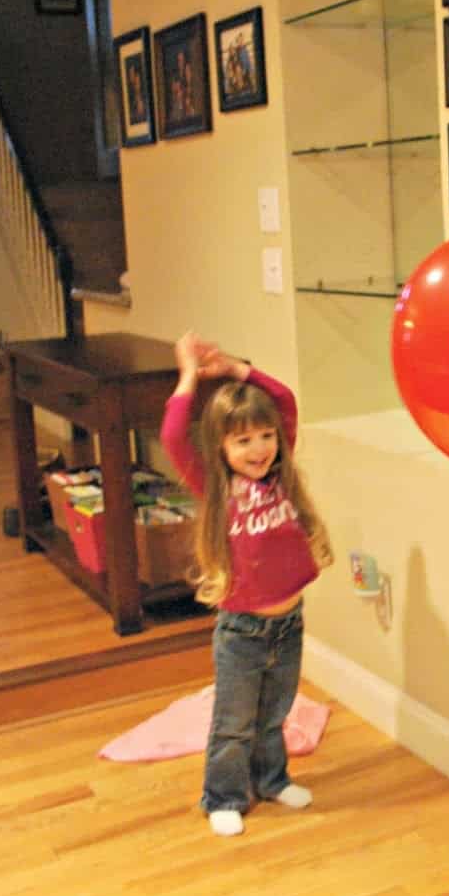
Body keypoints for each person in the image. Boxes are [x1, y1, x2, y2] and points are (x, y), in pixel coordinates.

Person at [161, 333, 333, 838]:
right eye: (243, 440)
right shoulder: (217, 488)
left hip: (290, 623)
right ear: (221, 447)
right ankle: (224, 795)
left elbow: (285, 401)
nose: (259, 449)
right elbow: (174, 437)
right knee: (234, 721)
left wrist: (237, 369)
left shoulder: (279, 478)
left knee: (275, 712)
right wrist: (190, 376)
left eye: (265, 436)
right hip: (242, 631)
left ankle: (272, 779)